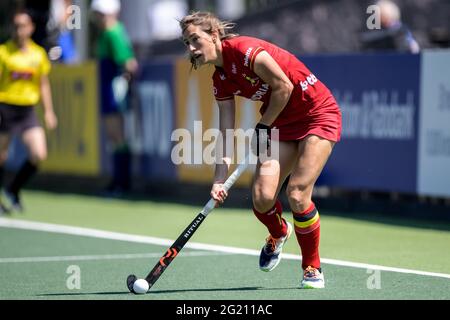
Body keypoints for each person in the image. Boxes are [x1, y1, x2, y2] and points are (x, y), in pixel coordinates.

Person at [180, 12, 342, 289]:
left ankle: (312, 268)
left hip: (317, 114)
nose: (191, 48)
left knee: (297, 194)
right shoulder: (220, 80)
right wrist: (219, 179)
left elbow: (283, 87)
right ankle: (279, 232)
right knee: (262, 197)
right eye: (186, 42)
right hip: (280, 123)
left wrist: (264, 126)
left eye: (195, 39)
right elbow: (226, 132)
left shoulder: (246, 51)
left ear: (214, 35)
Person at [0, 9, 58, 213]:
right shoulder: (3, 52)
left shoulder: (38, 54)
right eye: (16, 26)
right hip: (5, 108)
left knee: (38, 153)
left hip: (27, 111)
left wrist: (49, 111)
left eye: (23, 26)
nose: (19, 30)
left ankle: (13, 189)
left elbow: (43, 84)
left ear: (31, 28)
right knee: (1, 156)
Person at [90, 0, 138, 196]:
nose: (97, 18)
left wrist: (122, 82)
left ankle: (121, 182)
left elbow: (129, 63)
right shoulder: (108, 33)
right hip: (108, 90)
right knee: (114, 137)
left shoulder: (113, 32)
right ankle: (117, 181)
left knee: (117, 135)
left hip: (113, 92)